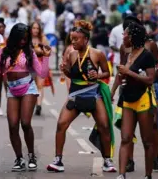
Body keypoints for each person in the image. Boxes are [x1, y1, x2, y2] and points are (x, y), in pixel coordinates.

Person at [48, 20, 116, 173]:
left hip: (93, 93)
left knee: (104, 126)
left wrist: (98, 75)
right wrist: (65, 70)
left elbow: (107, 73)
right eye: (72, 38)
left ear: (85, 39)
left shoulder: (97, 54)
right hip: (76, 94)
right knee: (61, 124)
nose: (73, 41)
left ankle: (107, 160)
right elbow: (71, 75)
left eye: (76, 39)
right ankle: (57, 160)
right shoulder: (71, 54)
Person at [0, 23, 50, 171]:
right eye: (21, 38)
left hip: (27, 88)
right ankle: (19, 159)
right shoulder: (4, 51)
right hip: (12, 89)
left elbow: (42, 74)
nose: (23, 41)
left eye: (26, 38)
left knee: (25, 123)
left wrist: (47, 58)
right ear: (14, 37)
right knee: (12, 125)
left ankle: (31, 155)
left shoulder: (29, 52)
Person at [115, 22, 156, 179]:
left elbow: (150, 79)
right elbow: (124, 73)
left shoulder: (146, 56)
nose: (123, 36)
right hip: (127, 100)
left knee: (147, 141)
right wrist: (121, 77)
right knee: (125, 138)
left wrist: (128, 73)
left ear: (132, 37)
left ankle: (148, 175)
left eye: (125, 34)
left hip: (142, 101)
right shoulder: (127, 53)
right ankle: (122, 174)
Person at [30, 21, 51, 116]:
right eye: (34, 28)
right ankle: (33, 104)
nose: (35, 30)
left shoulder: (43, 39)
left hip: (41, 63)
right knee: (31, 85)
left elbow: (47, 51)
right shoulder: (27, 39)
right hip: (30, 64)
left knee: (40, 85)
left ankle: (38, 105)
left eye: (37, 28)